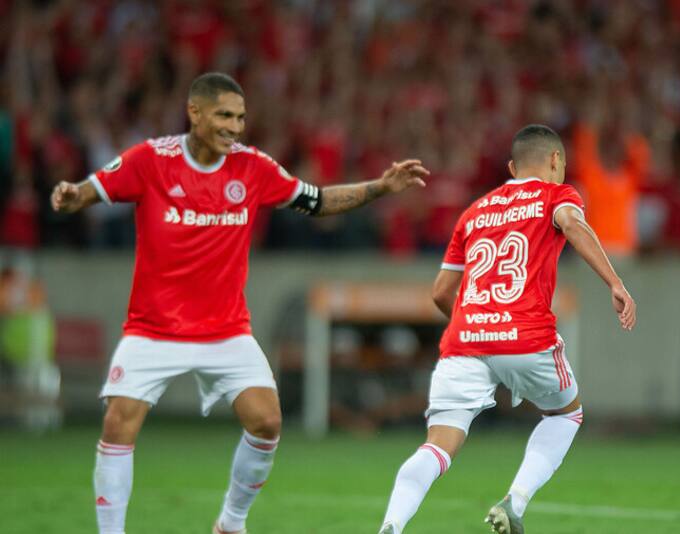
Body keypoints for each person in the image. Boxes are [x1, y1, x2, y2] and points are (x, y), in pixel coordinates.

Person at [49, 72, 428, 534]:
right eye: (224, 115)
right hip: (153, 328)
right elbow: (93, 188)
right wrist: (72, 195)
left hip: (226, 330)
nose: (234, 127)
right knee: (118, 424)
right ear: (195, 113)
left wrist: (380, 187)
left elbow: (318, 201)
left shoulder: (254, 168)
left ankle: (231, 523)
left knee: (267, 422)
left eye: (241, 117)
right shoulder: (151, 159)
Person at [378, 124, 636, 534]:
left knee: (437, 445)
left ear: (513, 168)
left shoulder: (474, 212)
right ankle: (514, 502)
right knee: (566, 414)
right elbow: (572, 224)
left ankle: (390, 525)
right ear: (556, 161)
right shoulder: (557, 195)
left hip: (465, 339)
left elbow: (441, 292)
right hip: (526, 335)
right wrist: (615, 282)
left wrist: (477, 325)